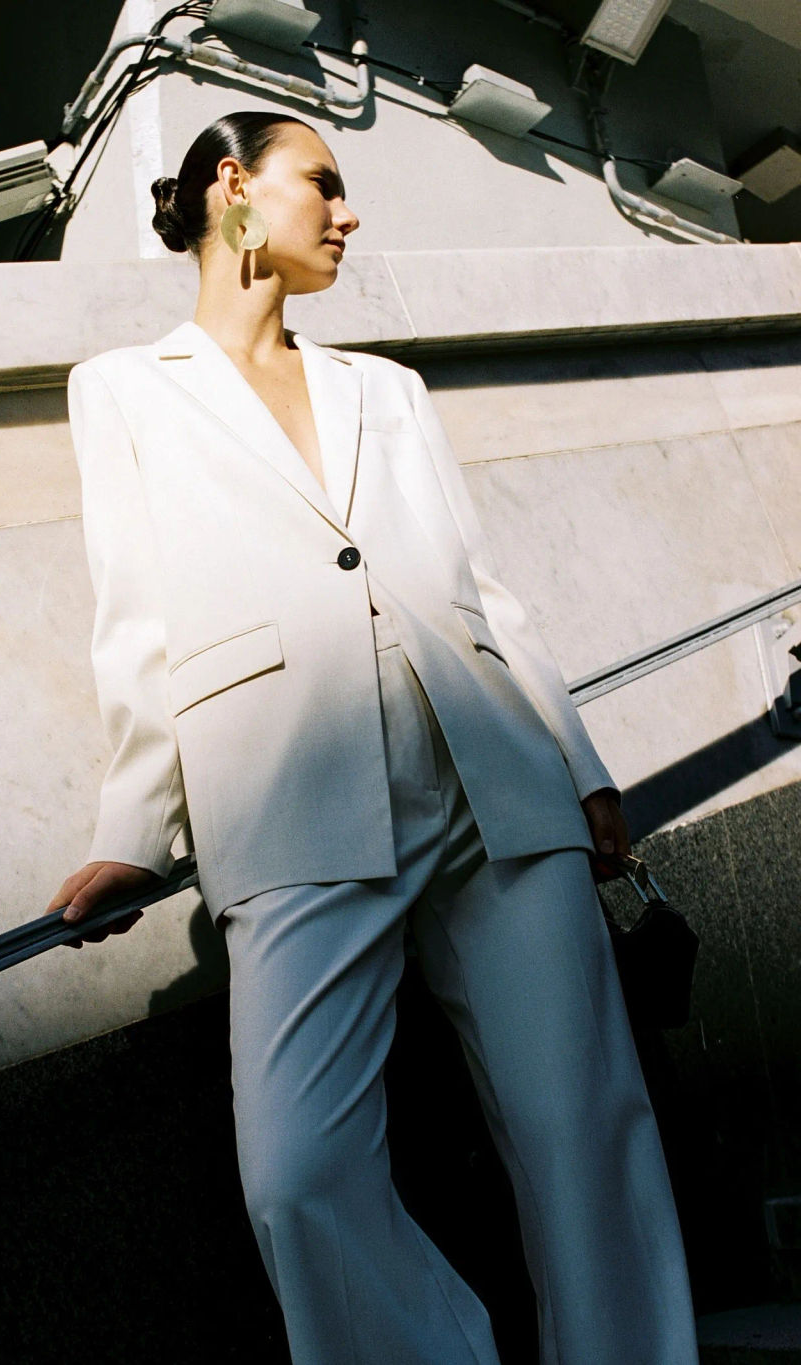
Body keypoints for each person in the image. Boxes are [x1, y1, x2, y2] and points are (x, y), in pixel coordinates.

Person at [46, 110, 700, 1365]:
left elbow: (481, 590)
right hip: (288, 796)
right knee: (298, 1176)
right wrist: (136, 828)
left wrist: (578, 764)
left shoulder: (384, 389)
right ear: (233, 187)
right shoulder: (123, 389)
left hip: (490, 781)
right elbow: (133, 617)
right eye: (324, 183)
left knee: (582, 1131)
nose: (348, 214)